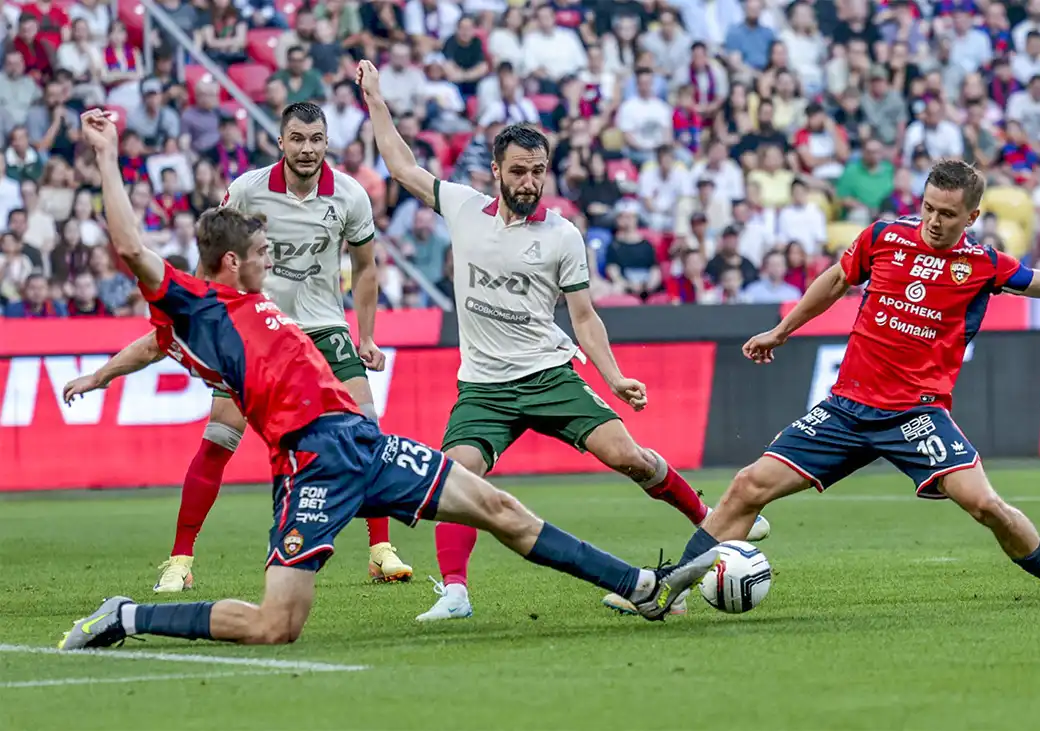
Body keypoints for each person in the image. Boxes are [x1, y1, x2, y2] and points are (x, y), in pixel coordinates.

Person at [58, 109, 719, 651]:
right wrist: (109, 156)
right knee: (276, 625)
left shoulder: (235, 310)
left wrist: (101, 373)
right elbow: (133, 252)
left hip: (363, 444)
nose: (276, 259)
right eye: (264, 254)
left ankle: (641, 585)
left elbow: (151, 346)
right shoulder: (199, 304)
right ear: (232, 260)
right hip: (311, 465)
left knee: (502, 510)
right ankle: (128, 615)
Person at [356, 59, 770, 622]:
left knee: (629, 457)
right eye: (520, 171)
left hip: (550, 376)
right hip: (484, 388)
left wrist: (615, 376)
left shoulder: (562, 235)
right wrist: (377, 99)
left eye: (538, 172)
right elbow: (402, 166)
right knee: (457, 476)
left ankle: (705, 515)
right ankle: (454, 592)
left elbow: (585, 316)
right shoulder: (461, 207)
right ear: (497, 172)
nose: (529, 182)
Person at [666, 159, 1040, 606]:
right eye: (929, 208)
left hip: (916, 416)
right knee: (746, 487)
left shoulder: (982, 265)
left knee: (985, 505)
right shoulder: (883, 237)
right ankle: (669, 594)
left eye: (948, 214)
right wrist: (781, 330)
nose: (934, 221)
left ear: (972, 217)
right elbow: (835, 280)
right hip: (846, 409)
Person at [65, 102, 410, 594]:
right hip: (256, 333)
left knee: (366, 429)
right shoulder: (248, 190)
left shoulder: (350, 196)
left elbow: (367, 268)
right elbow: (216, 250)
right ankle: (180, 560)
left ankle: (379, 550)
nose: (307, 148)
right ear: (281, 142)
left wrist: (367, 335)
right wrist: (206, 309)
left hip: (322, 328)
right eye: (297, 138)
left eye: (315, 138)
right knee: (220, 439)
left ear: (327, 141)